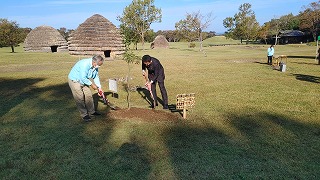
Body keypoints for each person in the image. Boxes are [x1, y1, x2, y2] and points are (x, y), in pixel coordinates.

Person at [68, 55, 105, 122]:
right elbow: (83, 78)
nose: (99, 67)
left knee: (89, 95)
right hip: (75, 80)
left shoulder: (95, 66)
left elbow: (96, 76)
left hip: (84, 80)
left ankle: (92, 112)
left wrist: (99, 87)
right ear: (94, 62)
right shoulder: (84, 64)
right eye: (99, 65)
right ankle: (84, 114)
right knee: (80, 98)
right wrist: (92, 85)